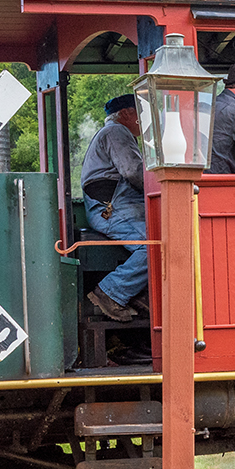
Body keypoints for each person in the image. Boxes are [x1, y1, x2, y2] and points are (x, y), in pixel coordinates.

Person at [80, 95, 148, 322]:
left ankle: (139, 295)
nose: (144, 120)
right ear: (127, 113)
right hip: (114, 210)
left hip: (118, 208)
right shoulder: (116, 132)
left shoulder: (113, 133)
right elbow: (133, 172)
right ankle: (110, 293)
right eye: (141, 113)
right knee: (155, 246)